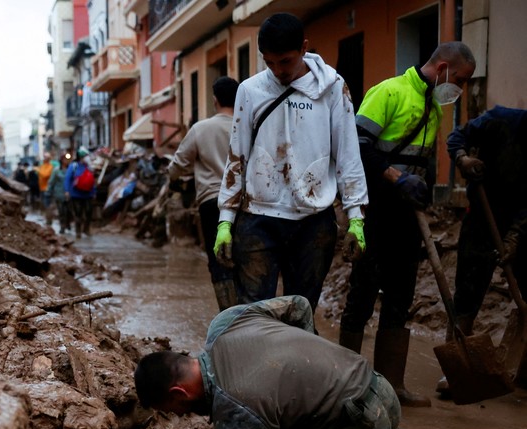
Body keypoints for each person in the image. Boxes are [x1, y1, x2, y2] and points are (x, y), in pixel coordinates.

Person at [134, 295, 401, 429]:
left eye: (172, 410)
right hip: (382, 389)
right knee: (332, 415)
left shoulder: (232, 417)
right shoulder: (226, 321)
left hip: (362, 425)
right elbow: (300, 305)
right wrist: (306, 358)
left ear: (179, 393)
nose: (179, 416)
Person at [339, 42, 476, 407]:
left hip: (408, 215)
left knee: (401, 297)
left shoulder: (433, 107)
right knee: (362, 295)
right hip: (375, 210)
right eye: (459, 80)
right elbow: (357, 145)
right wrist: (396, 177)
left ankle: (392, 385)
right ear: (444, 67)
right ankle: (346, 386)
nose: (458, 89)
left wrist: (418, 188)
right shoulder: (388, 92)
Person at [213, 13, 368, 313]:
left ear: (304, 48)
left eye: (284, 61)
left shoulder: (334, 87)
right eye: (268, 62)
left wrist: (356, 216)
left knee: (301, 313)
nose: (277, 70)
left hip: (314, 221)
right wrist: (225, 221)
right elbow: (237, 158)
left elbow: (348, 155)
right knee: (254, 315)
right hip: (258, 218)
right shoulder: (250, 90)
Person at [438, 106, 527, 395]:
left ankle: (522, 370)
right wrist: (463, 159)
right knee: (468, 291)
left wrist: (514, 238)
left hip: (520, 220)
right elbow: (455, 137)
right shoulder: (498, 119)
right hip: (482, 215)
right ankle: (456, 369)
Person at [168, 76, 241, 311]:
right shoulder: (247, 126)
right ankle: (251, 318)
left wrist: (173, 180)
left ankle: (229, 318)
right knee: (245, 259)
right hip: (247, 203)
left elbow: (178, 164)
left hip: (212, 203)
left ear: (215, 100)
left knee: (219, 260)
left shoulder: (201, 129)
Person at [64, 147, 95, 238]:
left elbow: (92, 181)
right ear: (81, 157)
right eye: (85, 156)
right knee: (78, 213)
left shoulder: (89, 167)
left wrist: (94, 192)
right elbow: (67, 179)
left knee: (89, 212)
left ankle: (86, 229)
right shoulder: (73, 166)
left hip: (88, 194)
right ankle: (78, 231)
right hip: (76, 194)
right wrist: (67, 191)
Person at [45, 156, 69, 233]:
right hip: (59, 194)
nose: (66, 161)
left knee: (68, 211)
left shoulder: (70, 170)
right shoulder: (56, 171)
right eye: (65, 159)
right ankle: (62, 226)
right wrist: (48, 192)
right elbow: (51, 182)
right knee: (61, 211)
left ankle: (67, 223)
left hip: (69, 195)